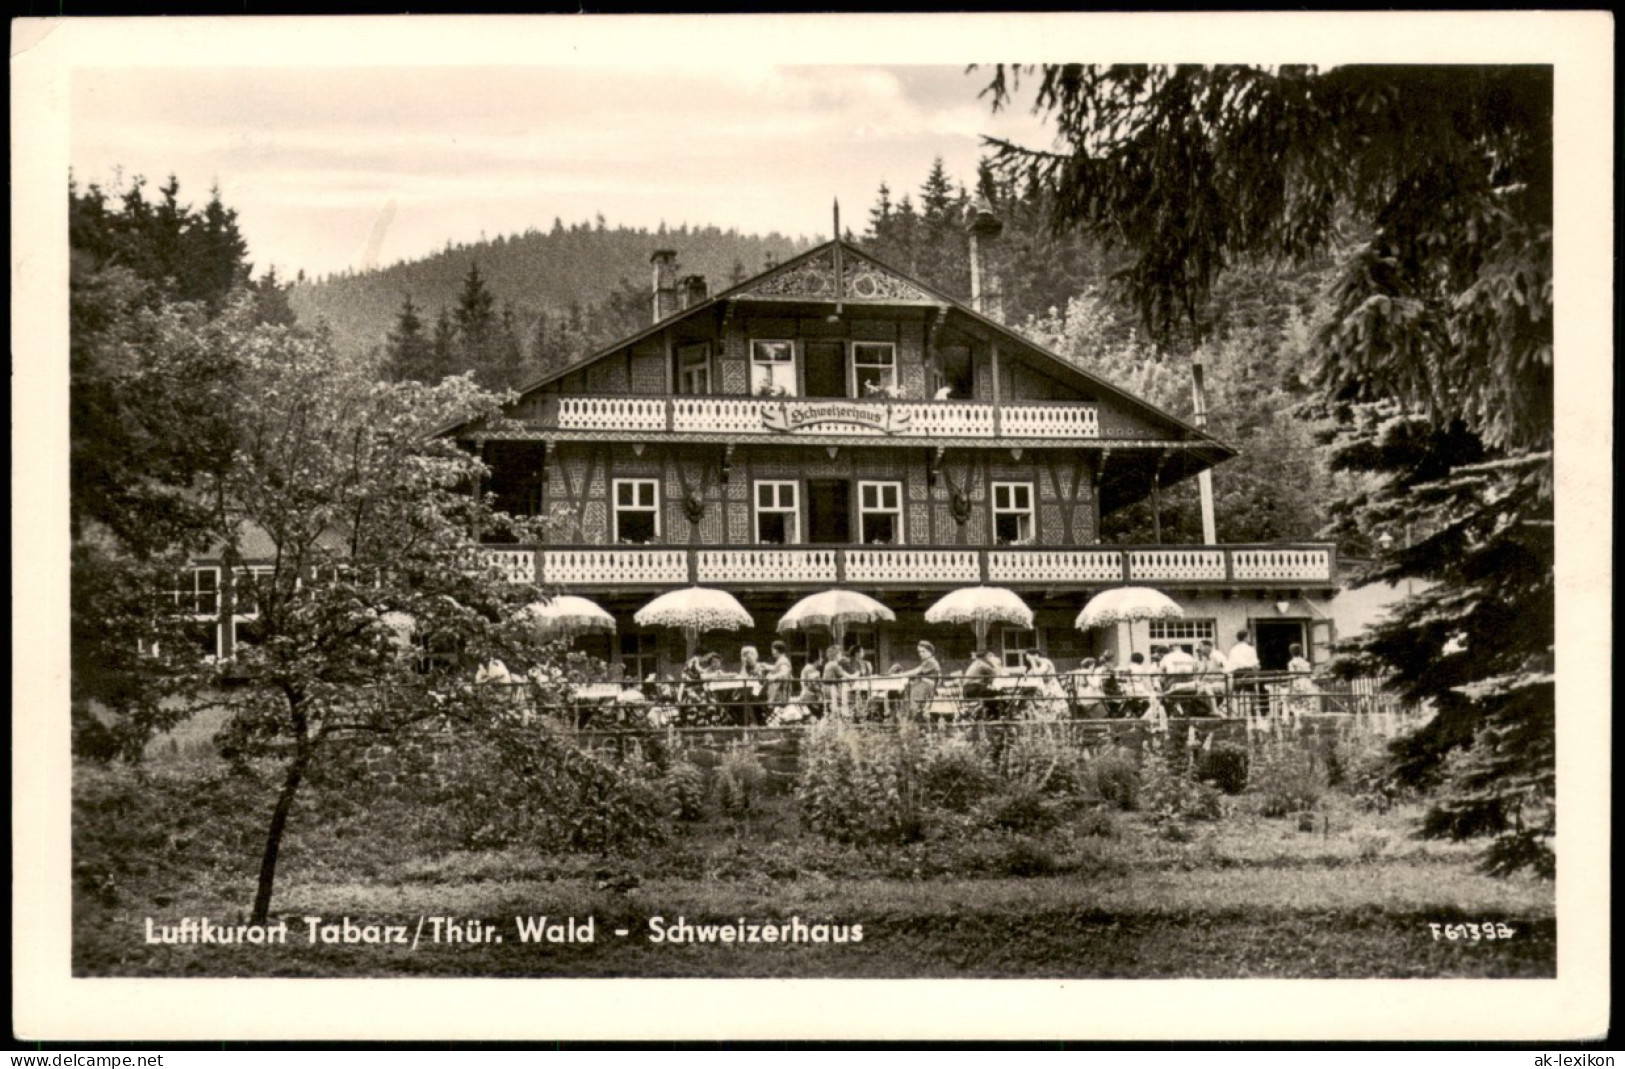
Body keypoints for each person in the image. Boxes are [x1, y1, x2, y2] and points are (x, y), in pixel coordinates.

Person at [962, 648, 1002, 720]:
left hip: (967, 690)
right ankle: (994, 716)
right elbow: (997, 673)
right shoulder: (982, 664)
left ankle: (987, 713)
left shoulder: (976, 663)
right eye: (989, 656)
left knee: (992, 694)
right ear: (986, 656)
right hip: (974, 689)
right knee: (998, 693)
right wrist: (993, 662)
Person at [1285, 642, 1316, 719]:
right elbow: (1310, 675)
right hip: (1306, 684)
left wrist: (1289, 690)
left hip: (1298, 685)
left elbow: (1292, 677)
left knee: (1295, 705)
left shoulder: (1292, 663)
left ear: (1290, 652)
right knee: (1306, 705)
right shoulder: (1305, 663)